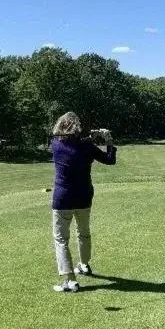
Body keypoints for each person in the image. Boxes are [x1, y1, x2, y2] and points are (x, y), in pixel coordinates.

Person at [50, 112, 117, 292]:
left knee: (61, 239)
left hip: (63, 198)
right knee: (83, 233)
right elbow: (110, 160)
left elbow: (69, 141)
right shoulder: (87, 146)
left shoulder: (55, 144)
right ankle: (84, 265)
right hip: (84, 197)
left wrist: (88, 137)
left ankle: (69, 280)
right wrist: (108, 139)